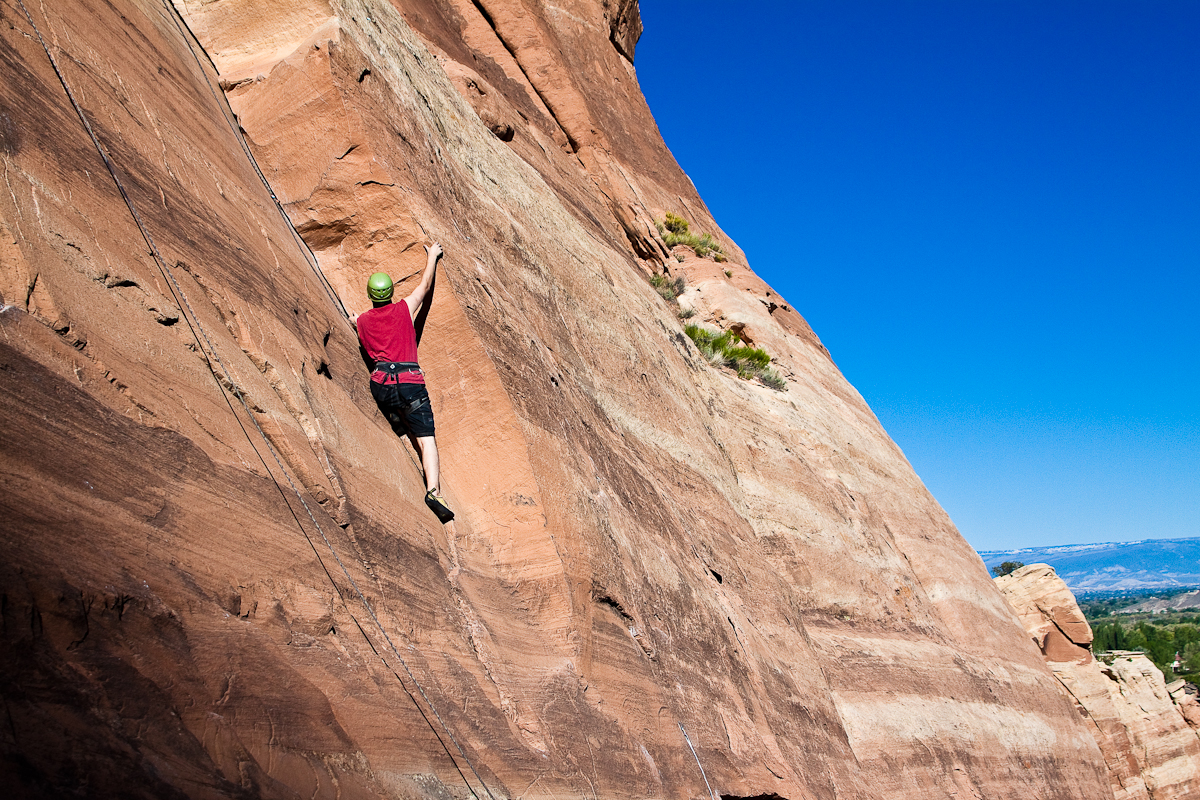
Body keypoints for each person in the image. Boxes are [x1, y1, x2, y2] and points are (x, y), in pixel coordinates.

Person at [354, 243, 454, 523]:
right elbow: (424, 286)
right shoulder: (403, 309)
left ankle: (395, 418)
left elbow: (359, 324)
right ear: (390, 293)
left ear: (370, 294)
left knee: (390, 397)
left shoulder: (362, 321)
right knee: (427, 441)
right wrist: (432, 255)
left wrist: (354, 320)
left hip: (382, 385)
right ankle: (433, 491)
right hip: (410, 385)